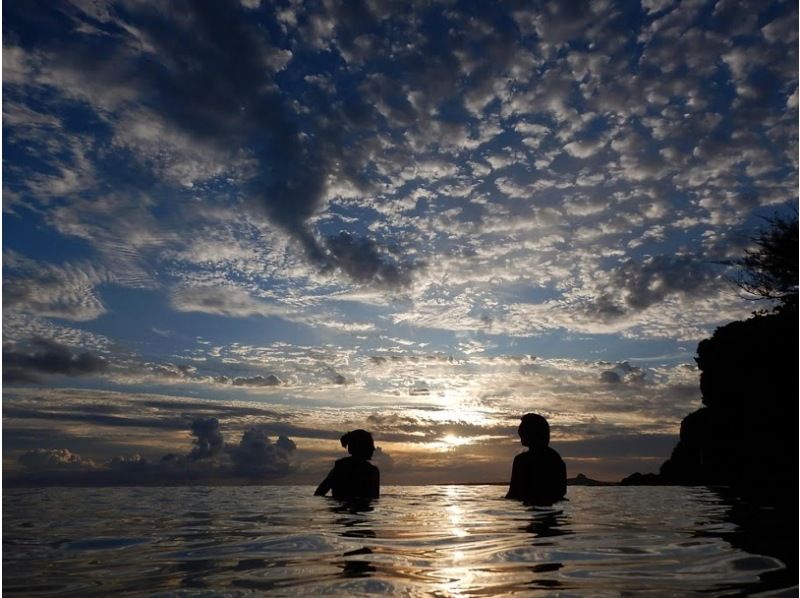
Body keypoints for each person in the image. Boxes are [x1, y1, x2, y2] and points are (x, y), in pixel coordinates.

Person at [506, 413, 567, 505]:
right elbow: (561, 492)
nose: (519, 432)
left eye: (522, 429)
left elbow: (513, 494)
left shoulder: (522, 460)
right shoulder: (556, 459)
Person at [315, 429, 380, 499]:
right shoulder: (372, 471)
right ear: (361, 447)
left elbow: (319, 493)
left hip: (339, 508)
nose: (373, 448)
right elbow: (374, 498)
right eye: (370, 445)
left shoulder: (339, 467)